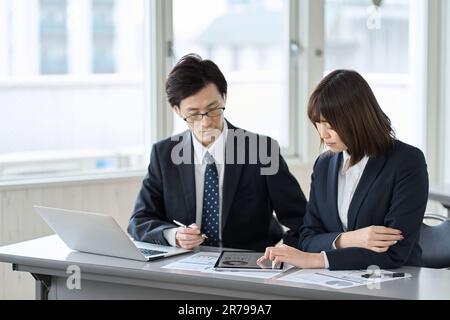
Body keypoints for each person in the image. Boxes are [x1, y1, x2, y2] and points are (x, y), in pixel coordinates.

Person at [127, 54, 307, 250]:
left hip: (249, 265)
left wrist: (285, 255)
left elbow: (302, 221)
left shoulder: (261, 150)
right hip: (185, 265)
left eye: (213, 109)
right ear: (177, 110)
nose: (206, 122)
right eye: (194, 114)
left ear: (224, 97)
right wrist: (174, 236)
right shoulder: (164, 154)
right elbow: (139, 221)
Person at [258, 70, 429, 270]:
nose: (323, 134)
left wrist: (318, 259)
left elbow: (395, 253)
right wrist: (348, 239)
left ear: (357, 118)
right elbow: (307, 238)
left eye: (330, 125)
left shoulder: (406, 161)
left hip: (395, 281)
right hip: (334, 280)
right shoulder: (324, 165)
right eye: (318, 124)